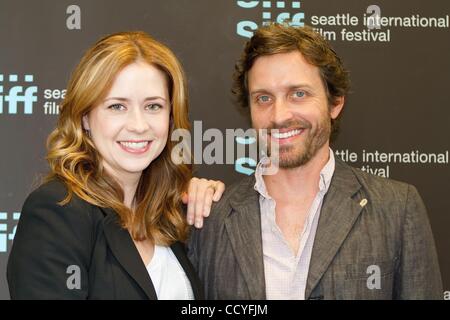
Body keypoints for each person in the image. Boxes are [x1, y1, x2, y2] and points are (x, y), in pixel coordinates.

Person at [187, 23, 443, 300]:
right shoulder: (211, 217)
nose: (279, 115)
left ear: (335, 103)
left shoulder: (396, 208)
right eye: (263, 98)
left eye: (298, 93)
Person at [7, 31, 224, 299]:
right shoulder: (57, 211)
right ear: (85, 116)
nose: (138, 125)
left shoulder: (169, 216)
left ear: (171, 117)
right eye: (117, 107)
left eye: (153, 106)